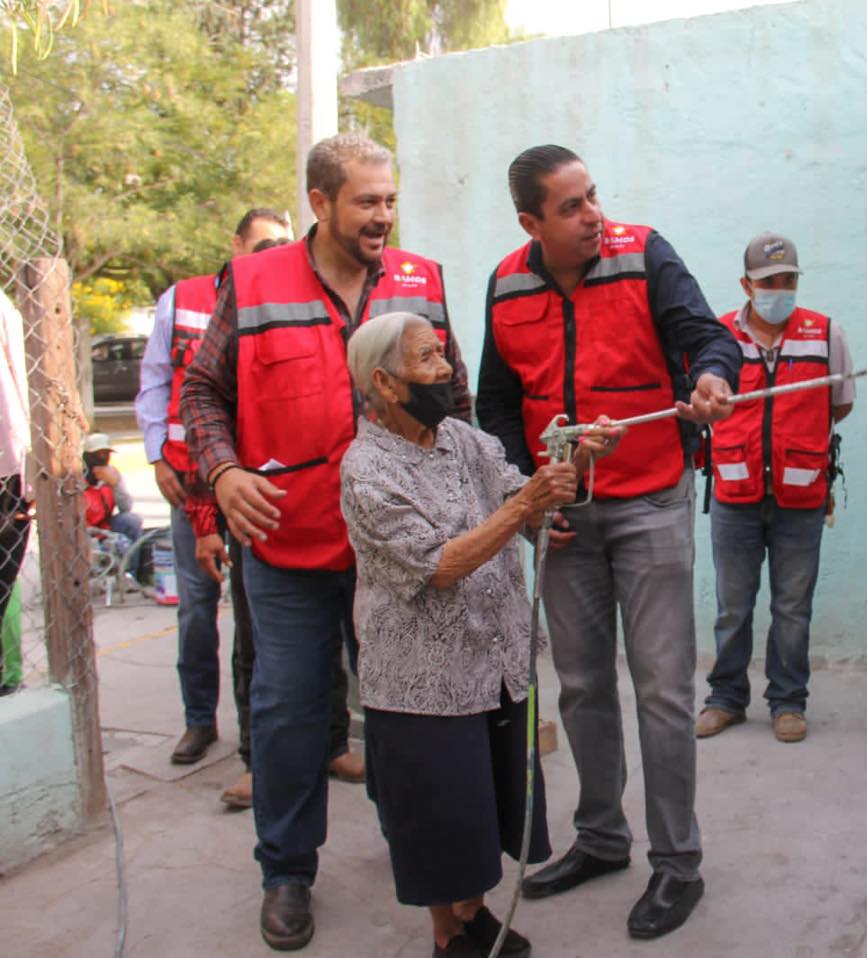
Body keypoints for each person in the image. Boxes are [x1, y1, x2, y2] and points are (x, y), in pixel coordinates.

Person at [182, 132, 471, 951]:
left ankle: (413, 850)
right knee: (289, 712)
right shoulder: (252, 281)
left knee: (405, 710)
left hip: (399, 551)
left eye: (390, 199)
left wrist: (474, 505)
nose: (384, 216)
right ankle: (286, 872)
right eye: (366, 202)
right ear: (319, 203)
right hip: (288, 543)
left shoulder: (420, 282)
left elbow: (455, 397)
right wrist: (224, 471)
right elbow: (202, 390)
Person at [476, 144, 740, 940]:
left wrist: (711, 380)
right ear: (531, 222)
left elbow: (707, 337)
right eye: (571, 206)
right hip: (565, 513)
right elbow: (495, 405)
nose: (594, 215)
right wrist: (528, 492)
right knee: (583, 687)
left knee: (662, 689)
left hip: (651, 502)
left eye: (594, 196)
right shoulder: (507, 282)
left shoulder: (645, 253)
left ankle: (677, 865)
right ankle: (600, 840)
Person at [342, 313, 615, 958]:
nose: (446, 372)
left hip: (491, 660)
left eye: (444, 355)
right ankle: (448, 934)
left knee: (484, 805)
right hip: (420, 684)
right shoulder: (366, 471)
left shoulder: (463, 441)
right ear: (384, 382)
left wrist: (576, 461)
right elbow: (439, 565)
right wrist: (523, 507)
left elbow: (530, 497)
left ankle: (474, 913)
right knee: (440, 815)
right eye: (429, 359)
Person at [135, 208, 295, 779]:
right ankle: (199, 718)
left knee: (259, 618)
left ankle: (260, 750)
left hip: (256, 485)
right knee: (198, 611)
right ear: (236, 244)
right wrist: (156, 455)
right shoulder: (183, 300)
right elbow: (157, 381)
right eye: (262, 244)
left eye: (282, 244)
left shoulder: (284, 303)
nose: (271, 254)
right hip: (190, 482)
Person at [696, 232, 855, 745]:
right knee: (732, 607)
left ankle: (788, 702)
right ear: (747, 284)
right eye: (768, 282)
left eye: (787, 280)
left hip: (801, 496)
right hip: (734, 494)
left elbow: (841, 404)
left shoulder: (825, 334)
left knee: (792, 608)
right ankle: (726, 699)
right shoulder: (719, 336)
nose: (779, 290)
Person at [0, 287, 29, 697]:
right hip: (10, 468)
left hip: (8, 472)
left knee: (7, 577)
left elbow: (19, 388)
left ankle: (8, 673)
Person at [82, 433, 146, 576]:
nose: (103, 458)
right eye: (98, 454)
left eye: (106, 453)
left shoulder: (112, 475)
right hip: (85, 531)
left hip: (106, 526)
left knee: (131, 520)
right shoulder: (77, 479)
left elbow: (126, 507)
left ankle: (129, 574)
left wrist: (115, 484)